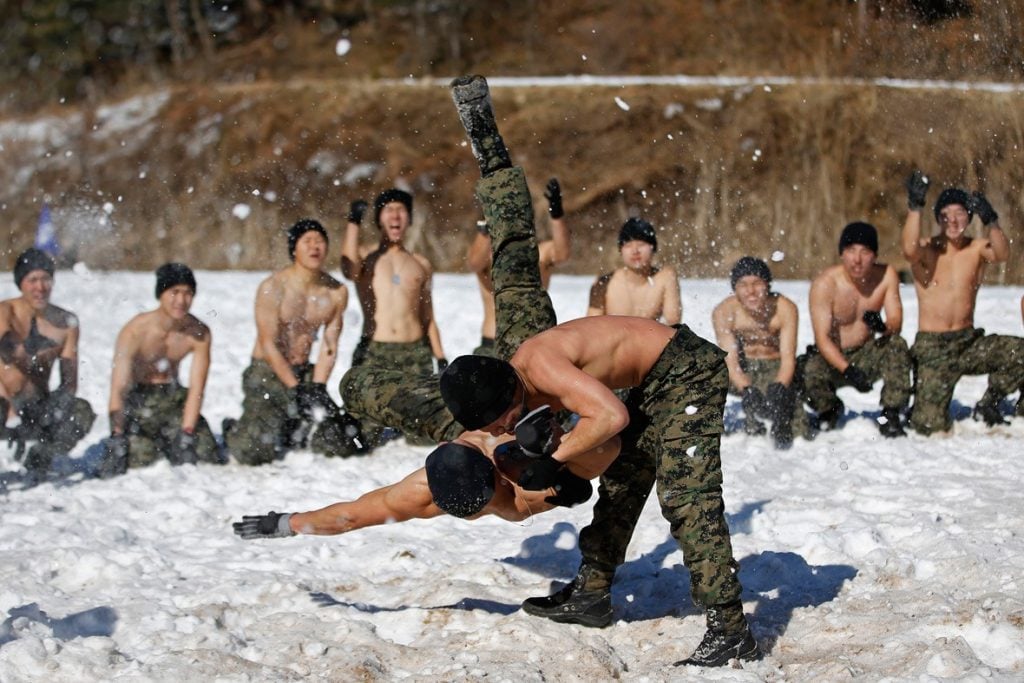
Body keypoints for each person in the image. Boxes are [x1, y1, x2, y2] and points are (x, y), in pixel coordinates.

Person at [438, 75, 758, 667]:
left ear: (512, 392)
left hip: (684, 373)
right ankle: (590, 593)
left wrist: (548, 460)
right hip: (647, 381)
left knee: (687, 496)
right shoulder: (513, 376)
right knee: (626, 477)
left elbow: (607, 414)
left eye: (508, 415)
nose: (512, 422)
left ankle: (730, 627)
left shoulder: (540, 364)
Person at [223, 219, 364, 465]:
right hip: (267, 371)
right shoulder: (273, 287)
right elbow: (268, 344)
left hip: (305, 373)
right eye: (307, 241)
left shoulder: (335, 292)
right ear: (294, 248)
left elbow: (329, 345)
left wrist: (317, 387)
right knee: (254, 452)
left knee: (340, 443)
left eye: (320, 241)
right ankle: (235, 430)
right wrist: (295, 389)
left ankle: (291, 423)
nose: (314, 247)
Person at [900, 171, 1023, 432]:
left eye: (960, 213)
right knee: (928, 426)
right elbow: (908, 250)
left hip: (968, 342)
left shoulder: (976, 248)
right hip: (933, 347)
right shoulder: (927, 248)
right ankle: (923, 401)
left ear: (969, 217)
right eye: (946, 214)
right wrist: (915, 208)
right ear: (938, 218)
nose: (953, 220)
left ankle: (991, 402)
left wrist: (991, 220)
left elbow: (1002, 253)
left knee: (1020, 353)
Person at [102, 264, 224, 475]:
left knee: (206, 453)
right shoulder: (136, 330)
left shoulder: (198, 333)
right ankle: (150, 439)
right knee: (141, 459)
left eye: (188, 293)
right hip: (139, 400)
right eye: (174, 292)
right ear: (161, 294)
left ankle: (173, 436)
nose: (181, 301)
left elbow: (197, 388)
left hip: (172, 396)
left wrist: (187, 431)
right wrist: (117, 435)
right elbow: (118, 387)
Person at [801, 222, 911, 436]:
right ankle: (828, 410)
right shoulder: (825, 284)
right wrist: (847, 370)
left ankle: (891, 413)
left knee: (897, 345)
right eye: (851, 251)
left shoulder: (886, 276)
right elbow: (822, 339)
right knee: (809, 369)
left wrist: (883, 326)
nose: (857, 259)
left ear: (875, 255)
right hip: (834, 356)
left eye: (865, 252)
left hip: (866, 353)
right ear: (842, 254)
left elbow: (896, 323)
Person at [0, 248, 95, 477]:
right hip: (3, 404)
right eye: (32, 280)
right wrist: (25, 350)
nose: (40, 287)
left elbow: (69, 380)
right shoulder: (5, 311)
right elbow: (5, 346)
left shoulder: (65, 323)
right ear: (20, 283)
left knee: (79, 411)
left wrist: (59, 407)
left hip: (36, 407)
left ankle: (40, 456)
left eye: (45, 279)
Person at [341, 189, 447, 372]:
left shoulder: (422, 264)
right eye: (389, 210)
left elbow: (428, 317)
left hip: (415, 353)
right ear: (379, 219)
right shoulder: (366, 258)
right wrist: (354, 222)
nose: (396, 216)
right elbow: (349, 269)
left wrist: (441, 358)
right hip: (373, 351)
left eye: (401, 210)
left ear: (409, 219)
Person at [466, 177, 571, 356]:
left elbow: (562, 254)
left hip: (533, 342)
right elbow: (474, 263)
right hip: (493, 344)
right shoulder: (489, 255)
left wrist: (557, 215)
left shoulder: (538, 254)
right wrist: (487, 222)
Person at [711, 256, 807, 449]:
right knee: (703, 375)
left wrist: (779, 387)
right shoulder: (724, 311)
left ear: (767, 285)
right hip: (742, 366)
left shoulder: (785, 308)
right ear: (735, 289)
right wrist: (746, 388)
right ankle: (706, 428)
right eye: (743, 285)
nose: (751, 291)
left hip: (775, 366)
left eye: (757, 283)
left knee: (799, 433)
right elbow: (730, 362)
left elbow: (788, 359)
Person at [587, 218, 681, 324]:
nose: (635, 251)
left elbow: (673, 324)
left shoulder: (665, 278)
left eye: (641, 244)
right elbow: (591, 328)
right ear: (620, 250)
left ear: (653, 248)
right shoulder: (604, 283)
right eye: (628, 245)